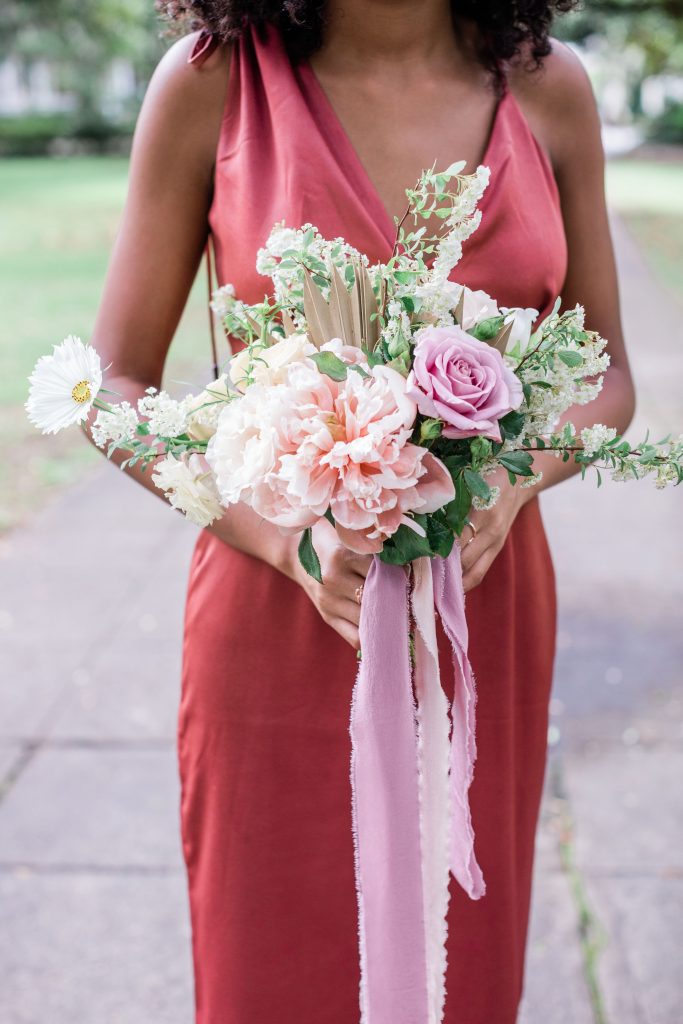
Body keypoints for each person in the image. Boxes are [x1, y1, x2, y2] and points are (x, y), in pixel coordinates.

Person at [88, 1, 635, 1020]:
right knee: (270, 965)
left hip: (479, 606)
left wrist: (511, 478)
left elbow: (608, 383)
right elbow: (113, 386)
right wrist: (286, 540)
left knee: (459, 964)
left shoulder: (547, 88)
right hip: (272, 607)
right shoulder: (209, 83)